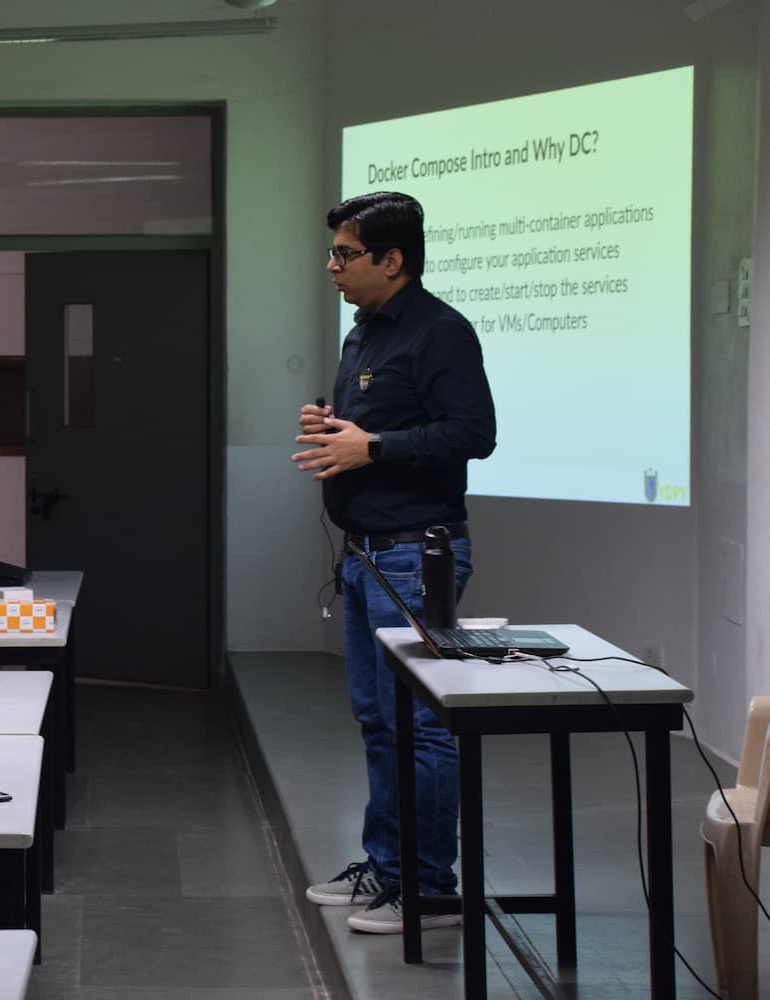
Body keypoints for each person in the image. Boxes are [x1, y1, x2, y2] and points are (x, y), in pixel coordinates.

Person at [292, 191, 496, 933]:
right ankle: (388, 867)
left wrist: (370, 446)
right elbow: (373, 426)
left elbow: (474, 433)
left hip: (415, 555)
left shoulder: (440, 333)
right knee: (379, 720)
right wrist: (333, 426)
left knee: (421, 725)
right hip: (365, 556)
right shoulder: (362, 335)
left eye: (345, 254)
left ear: (392, 259)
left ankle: (431, 889)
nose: (332, 266)